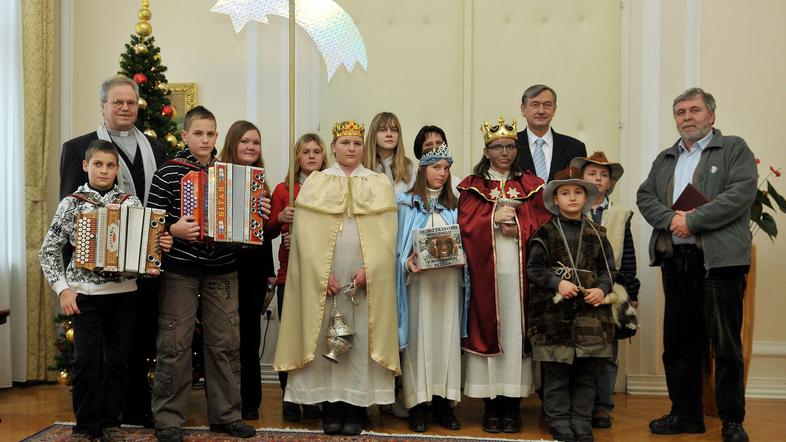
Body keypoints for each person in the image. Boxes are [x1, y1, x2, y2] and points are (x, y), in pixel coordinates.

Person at [637, 88, 756, 442]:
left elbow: (741, 193)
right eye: (680, 112)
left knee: (726, 346)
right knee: (679, 344)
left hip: (720, 263)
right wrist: (672, 219)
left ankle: (731, 421)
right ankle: (685, 415)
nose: (687, 117)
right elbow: (645, 195)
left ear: (711, 116)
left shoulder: (733, 148)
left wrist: (693, 220)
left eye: (695, 110)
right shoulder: (665, 158)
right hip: (677, 261)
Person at [39, 140, 173, 442]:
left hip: (124, 295)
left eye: (110, 165)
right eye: (98, 164)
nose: (104, 170)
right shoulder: (71, 204)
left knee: (118, 362)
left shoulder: (130, 203)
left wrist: (161, 244)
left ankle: (112, 422)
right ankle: (86, 426)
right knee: (86, 361)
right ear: (86, 166)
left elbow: (147, 249)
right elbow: (48, 251)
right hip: (84, 296)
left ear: (116, 170)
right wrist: (63, 290)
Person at [273, 120, 400, 436]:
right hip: (326, 281)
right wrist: (321, 274)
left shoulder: (378, 183)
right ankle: (331, 409)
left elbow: (388, 237)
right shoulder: (317, 183)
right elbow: (304, 238)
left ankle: (356, 408)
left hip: (363, 280)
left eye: (356, 143)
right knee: (326, 342)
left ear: (363, 148)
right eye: (345, 143)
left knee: (359, 342)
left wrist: (370, 270)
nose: (351, 149)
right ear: (334, 147)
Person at [60, 75, 167, 426]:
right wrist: (69, 282)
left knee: (137, 340)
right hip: (92, 275)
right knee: (94, 352)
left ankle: (136, 406)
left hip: (142, 264)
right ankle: (97, 417)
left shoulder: (155, 148)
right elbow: (68, 218)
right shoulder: (79, 148)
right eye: (117, 102)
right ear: (103, 106)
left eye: (130, 102)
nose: (124, 108)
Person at [147, 106, 256, 441]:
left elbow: (246, 224)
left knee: (226, 342)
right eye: (198, 133)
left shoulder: (230, 173)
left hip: (222, 268)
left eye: (210, 134)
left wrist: (256, 212)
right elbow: (150, 223)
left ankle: (227, 415)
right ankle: (168, 419)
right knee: (174, 343)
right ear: (185, 135)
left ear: (217, 135)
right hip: (179, 270)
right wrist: (173, 228)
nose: (205, 140)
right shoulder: (167, 172)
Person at [457, 117, 551, 434]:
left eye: (510, 146)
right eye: (497, 147)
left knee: (514, 333)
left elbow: (543, 225)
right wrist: (493, 219)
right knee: (488, 330)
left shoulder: (531, 185)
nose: (504, 152)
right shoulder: (473, 186)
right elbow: (465, 225)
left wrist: (519, 227)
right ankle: (490, 405)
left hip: (520, 275)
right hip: (486, 275)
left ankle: (512, 405)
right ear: (486, 150)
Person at [526, 166, 617, 442]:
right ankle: (559, 421)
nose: (573, 197)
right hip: (553, 318)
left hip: (591, 317)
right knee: (557, 374)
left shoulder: (597, 233)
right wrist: (558, 283)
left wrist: (601, 290)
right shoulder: (544, 233)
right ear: (555, 199)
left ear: (586, 197)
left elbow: (609, 271)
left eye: (578, 192)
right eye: (565, 193)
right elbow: (534, 269)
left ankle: (581, 420)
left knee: (586, 375)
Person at [570, 151, 641, 429]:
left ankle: (602, 406)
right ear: (582, 178)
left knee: (607, 351)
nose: (598, 179)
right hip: (577, 288)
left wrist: (631, 290)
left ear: (610, 182)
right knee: (576, 348)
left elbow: (629, 255)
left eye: (603, 175)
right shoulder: (572, 206)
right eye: (592, 174)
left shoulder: (620, 213)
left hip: (612, 290)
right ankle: (575, 405)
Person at [396, 143, 463, 433]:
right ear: (423, 170)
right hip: (419, 286)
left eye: (447, 168)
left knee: (445, 339)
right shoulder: (406, 204)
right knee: (418, 341)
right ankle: (417, 406)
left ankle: (443, 405)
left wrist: (462, 257)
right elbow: (397, 246)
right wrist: (407, 262)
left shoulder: (456, 205)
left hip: (448, 284)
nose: (443, 173)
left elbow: (465, 241)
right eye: (437, 167)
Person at [216, 120, 276, 421]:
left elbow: (264, 235)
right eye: (245, 141)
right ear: (233, 143)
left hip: (253, 269)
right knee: (225, 337)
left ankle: (250, 401)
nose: (251, 147)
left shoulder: (261, 182)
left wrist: (269, 272)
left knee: (250, 335)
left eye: (256, 142)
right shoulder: (217, 176)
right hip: (224, 266)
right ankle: (225, 400)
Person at [266, 133, 326, 422]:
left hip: (319, 274)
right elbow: (268, 231)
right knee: (290, 336)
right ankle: (289, 395)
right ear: (297, 157)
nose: (311, 156)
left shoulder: (331, 187)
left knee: (314, 337)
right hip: (288, 274)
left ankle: (311, 395)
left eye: (316, 151)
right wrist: (280, 218)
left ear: (324, 156)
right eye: (306, 151)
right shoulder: (284, 189)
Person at [516, 84, 587, 182]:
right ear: (523, 109)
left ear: (554, 109)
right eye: (535, 105)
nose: (541, 111)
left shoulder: (575, 148)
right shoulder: (510, 145)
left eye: (547, 105)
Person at [364, 111, 416, 195]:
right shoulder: (362, 165)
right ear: (373, 135)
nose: (389, 134)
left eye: (394, 130)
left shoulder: (407, 166)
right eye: (383, 130)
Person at [413, 125, 461, 196]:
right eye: (429, 144)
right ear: (420, 151)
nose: (435, 148)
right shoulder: (411, 180)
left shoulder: (456, 184)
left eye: (439, 143)